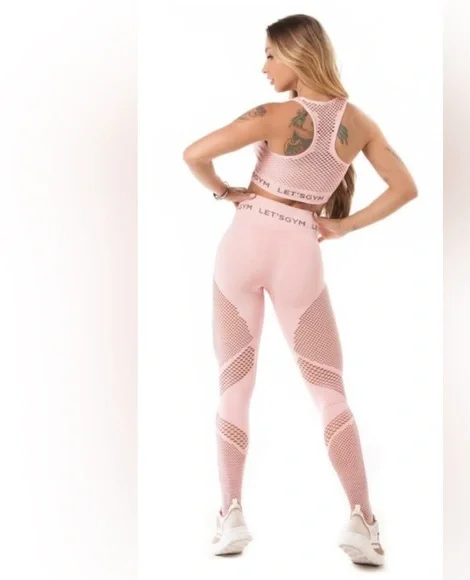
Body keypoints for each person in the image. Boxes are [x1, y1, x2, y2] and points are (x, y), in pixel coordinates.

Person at [182, 13, 418, 567]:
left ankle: (231, 514)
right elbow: (405, 188)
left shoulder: (273, 115)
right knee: (329, 391)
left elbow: (194, 154)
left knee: (235, 385)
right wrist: (343, 225)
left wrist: (226, 193)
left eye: (271, 54)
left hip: (242, 246)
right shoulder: (358, 123)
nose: (264, 67)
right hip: (299, 252)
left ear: (297, 54)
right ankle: (363, 521)